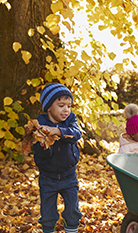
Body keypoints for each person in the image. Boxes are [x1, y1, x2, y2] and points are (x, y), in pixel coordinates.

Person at [33, 83, 82, 233]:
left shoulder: (71, 120)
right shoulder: (40, 125)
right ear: (49, 107)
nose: (66, 110)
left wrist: (58, 131)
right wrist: (44, 145)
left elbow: (76, 134)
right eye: (61, 105)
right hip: (48, 177)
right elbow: (40, 155)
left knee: (73, 211)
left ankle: (71, 229)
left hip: (69, 176)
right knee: (48, 214)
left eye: (69, 105)